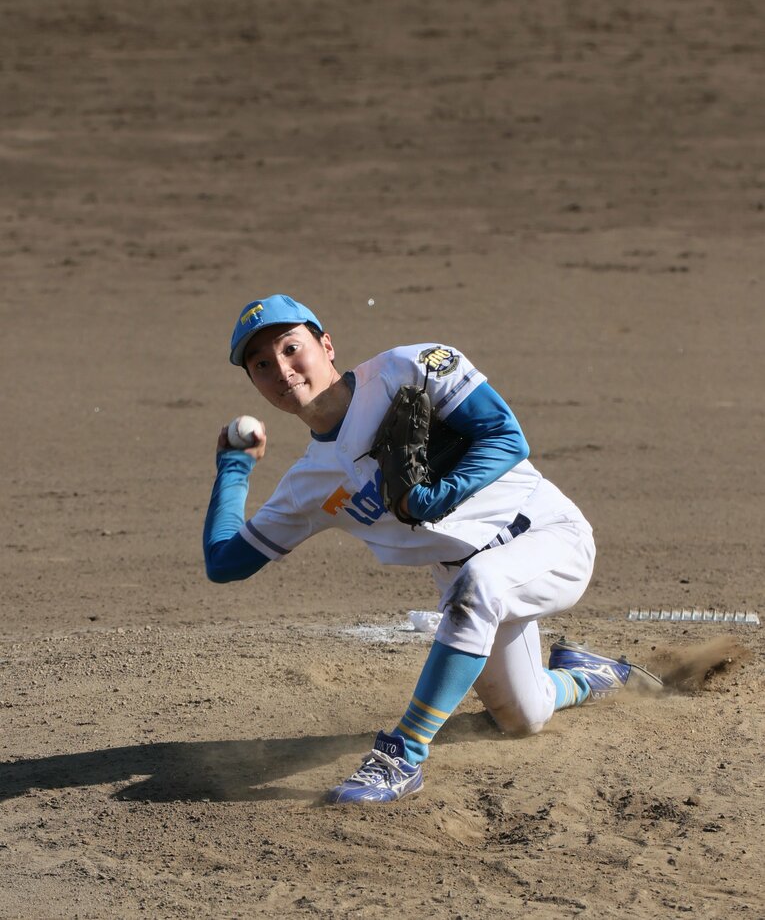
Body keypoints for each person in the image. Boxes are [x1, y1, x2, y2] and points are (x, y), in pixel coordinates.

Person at [202, 294, 661, 805]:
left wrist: (436, 496)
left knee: (478, 586)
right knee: (523, 717)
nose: (283, 369)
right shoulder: (309, 483)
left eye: (292, 348)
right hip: (469, 580)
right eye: (262, 365)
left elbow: (505, 437)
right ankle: (587, 675)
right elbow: (225, 563)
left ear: (326, 344)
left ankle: (402, 756)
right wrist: (234, 469)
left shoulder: (409, 369)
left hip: (545, 535)